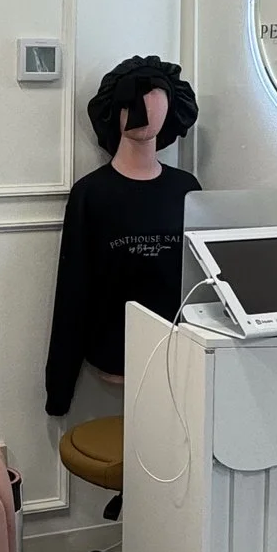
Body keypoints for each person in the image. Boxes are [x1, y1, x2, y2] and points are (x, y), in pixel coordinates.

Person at [44, 56, 202, 416]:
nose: (145, 109)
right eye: (135, 100)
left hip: (180, 351)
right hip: (114, 353)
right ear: (115, 111)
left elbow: (202, 281)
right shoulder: (92, 193)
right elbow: (72, 291)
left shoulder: (186, 190)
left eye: (156, 97)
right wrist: (59, 391)